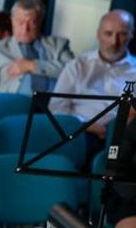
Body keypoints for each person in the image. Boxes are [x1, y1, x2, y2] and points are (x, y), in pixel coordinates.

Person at [51, 10, 136, 144]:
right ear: (98, 35)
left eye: (122, 34)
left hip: (122, 138)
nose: (114, 41)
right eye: (108, 34)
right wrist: (90, 126)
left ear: (131, 35)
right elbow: (56, 108)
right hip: (79, 132)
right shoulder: (78, 65)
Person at [0, 0, 74, 94]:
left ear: (40, 22)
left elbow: (74, 72)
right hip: (15, 104)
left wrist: (32, 65)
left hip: (53, 105)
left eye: (32, 23)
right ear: (12, 20)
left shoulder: (58, 45)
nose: (25, 29)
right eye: (20, 22)